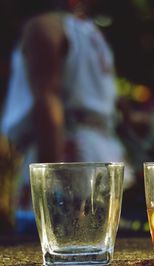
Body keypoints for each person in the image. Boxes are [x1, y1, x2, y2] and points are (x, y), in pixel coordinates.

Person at [1, 0, 133, 233]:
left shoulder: (43, 26)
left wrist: (50, 184)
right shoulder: (91, 33)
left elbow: (48, 101)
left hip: (67, 156)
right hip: (102, 157)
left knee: (48, 242)